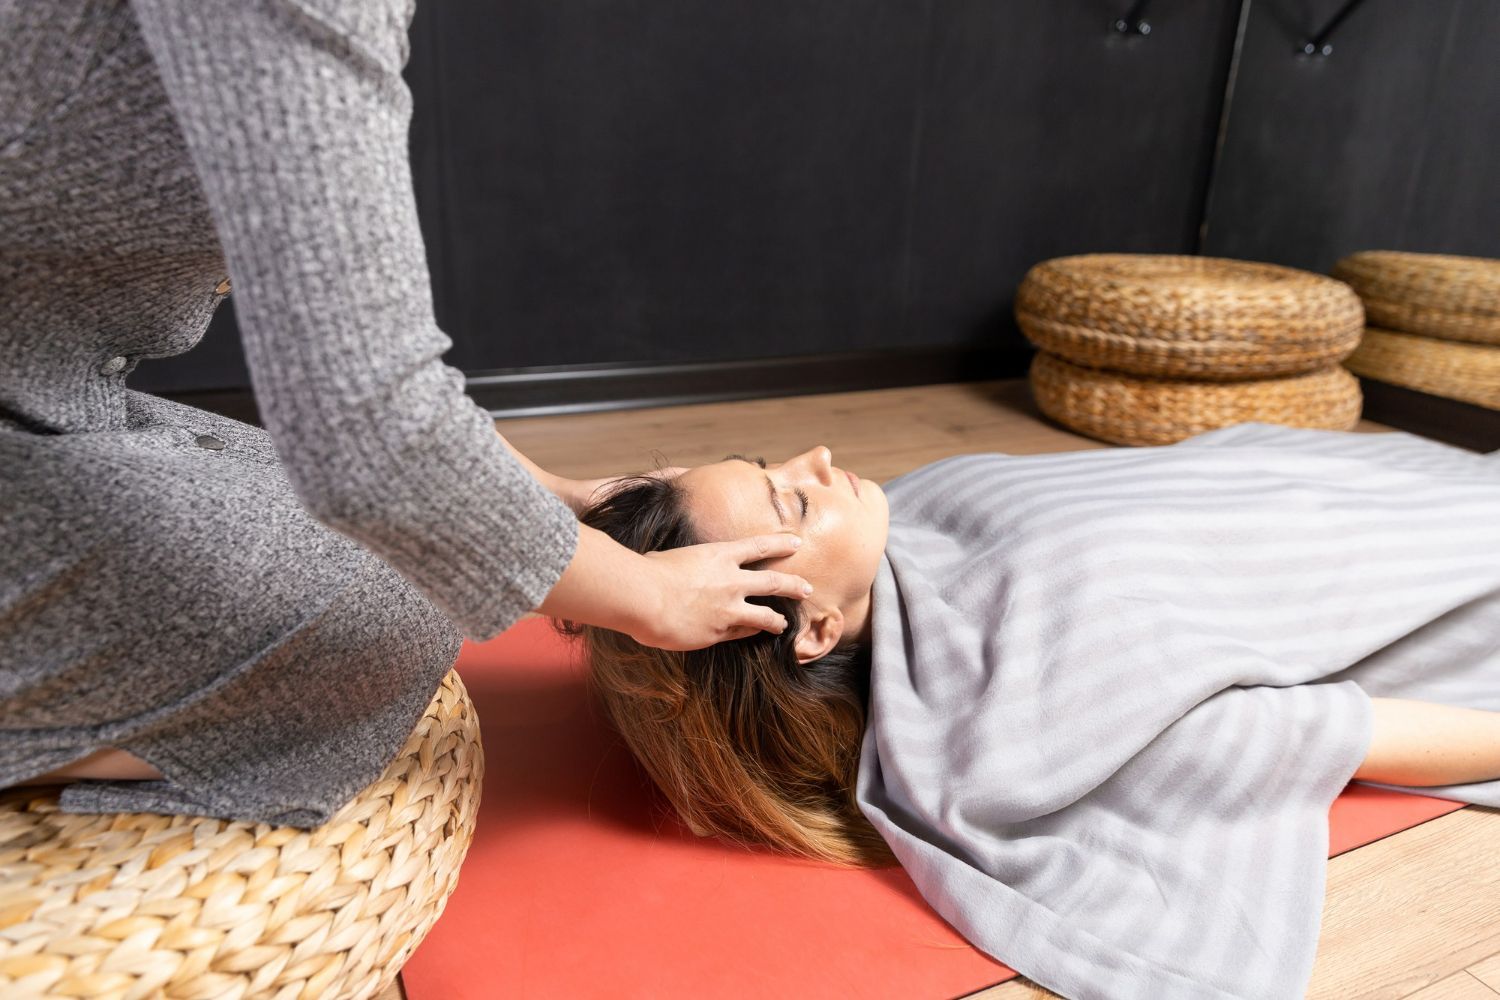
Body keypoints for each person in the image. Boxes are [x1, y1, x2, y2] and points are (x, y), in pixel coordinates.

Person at [0, 2, 808, 825]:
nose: (814, 458)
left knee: (374, 539)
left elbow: (373, 422)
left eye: (792, 494)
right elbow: (370, 431)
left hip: (43, 390)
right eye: (788, 491)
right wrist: (643, 592)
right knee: (401, 599)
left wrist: (561, 500)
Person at [567, 426, 1500, 997]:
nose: (819, 458)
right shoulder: (1038, 706)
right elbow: (1339, 730)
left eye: (776, 465)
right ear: (811, 628)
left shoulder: (916, 515)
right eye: (790, 497)